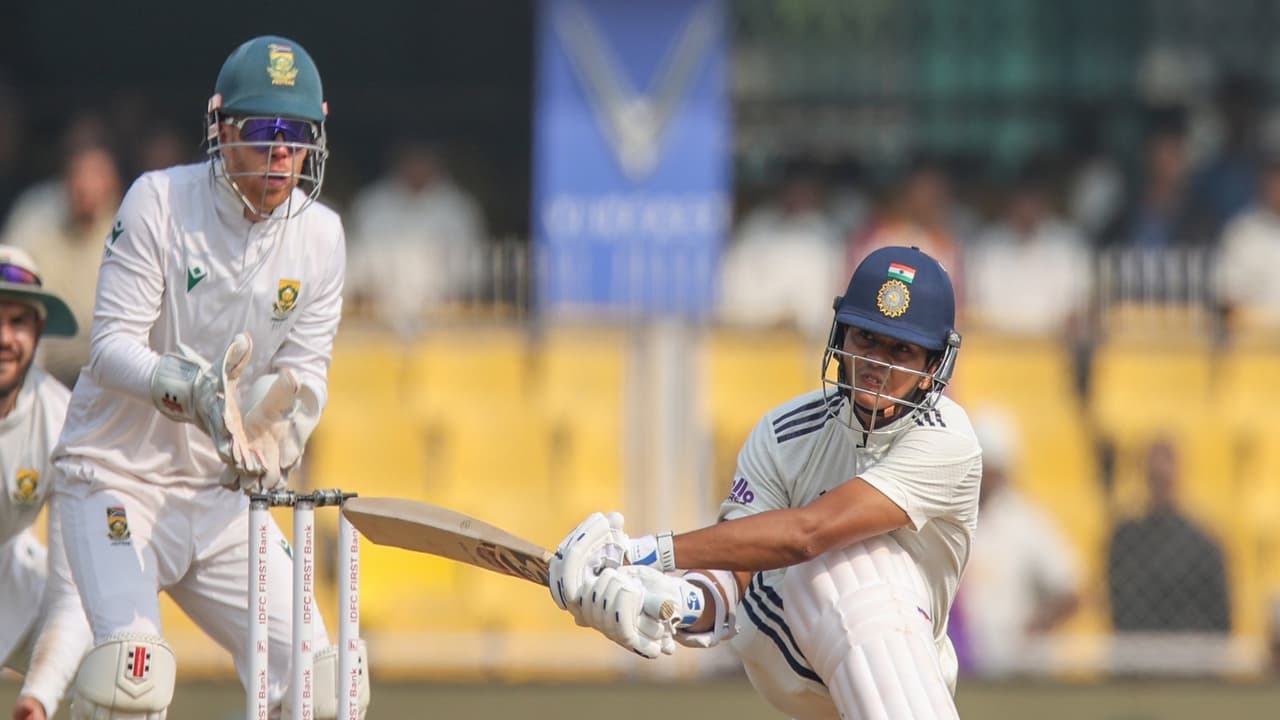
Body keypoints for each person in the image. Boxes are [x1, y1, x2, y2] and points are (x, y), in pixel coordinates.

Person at [47, 35, 368, 718]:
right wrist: (192, 390)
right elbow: (109, 348)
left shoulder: (322, 238)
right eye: (262, 130)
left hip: (220, 497)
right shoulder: (158, 203)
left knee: (327, 685)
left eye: (298, 133)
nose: (282, 153)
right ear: (221, 129)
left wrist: (277, 435)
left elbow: (305, 374)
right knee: (131, 685)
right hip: (114, 478)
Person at [550, 245, 980, 720]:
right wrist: (673, 600)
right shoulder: (783, 433)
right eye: (866, 339)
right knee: (833, 569)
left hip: (906, 669)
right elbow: (733, 576)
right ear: (840, 336)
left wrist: (638, 553)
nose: (878, 364)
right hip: (790, 655)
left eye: (901, 349)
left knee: (858, 561)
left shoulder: (948, 441)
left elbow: (808, 534)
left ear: (933, 366)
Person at [0, 247, 94, 720]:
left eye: (18, 322)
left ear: (38, 333)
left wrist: (38, 695)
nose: (4, 338)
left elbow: (71, 592)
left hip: (7, 580)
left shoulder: (62, 420)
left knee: (116, 667)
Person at [949, 407, 1080, 677]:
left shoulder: (1024, 521)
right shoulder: (950, 516)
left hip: (1012, 670)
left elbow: (1071, 589)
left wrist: (1029, 632)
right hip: (960, 663)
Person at [3, 141, 122, 388]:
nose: (86, 186)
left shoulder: (125, 230)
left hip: (101, 366)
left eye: (96, 176)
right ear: (66, 179)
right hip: (35, 348)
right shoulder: (36, 213)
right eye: (80, 175)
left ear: (113, 186)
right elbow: (6, 278)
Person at [1107, 439, 1230, 633]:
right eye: (1155, 478)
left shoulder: (1203, 543)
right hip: (1138, 651)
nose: (1160, 485)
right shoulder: (1124, 538)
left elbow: (1220, 615)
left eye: (1164, 478)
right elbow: (1117, 604)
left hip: (1190, 654)